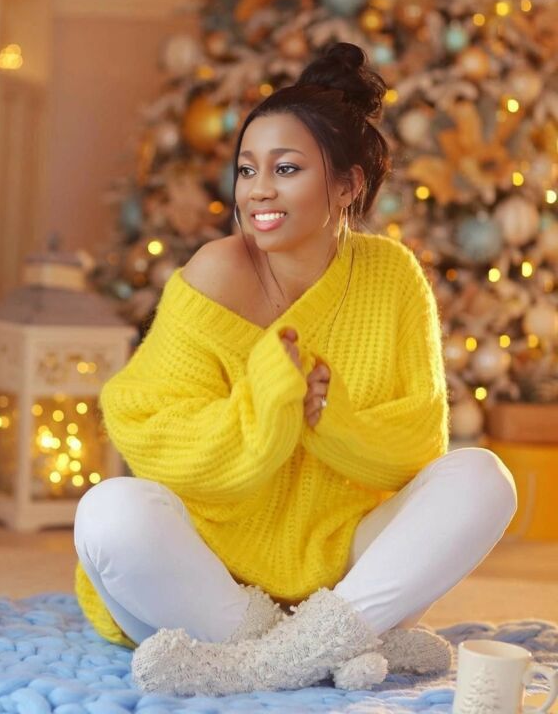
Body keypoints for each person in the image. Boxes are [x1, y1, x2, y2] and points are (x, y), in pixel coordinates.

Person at [73, 42, 517, 694]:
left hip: (345, 575)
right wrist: (266, 409)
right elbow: (147, 427)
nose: (258, 190)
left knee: (483, 479)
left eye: (285, 169)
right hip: (208, 581)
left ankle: (275, 660)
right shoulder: (215, 272)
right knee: (109, 514)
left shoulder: (392, 277)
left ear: (347, 185)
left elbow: (419, 441)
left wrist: (331, 419)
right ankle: (323, 651)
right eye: (246, 169)